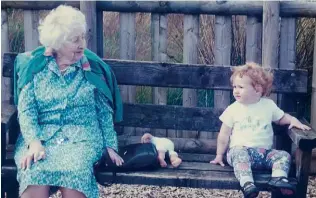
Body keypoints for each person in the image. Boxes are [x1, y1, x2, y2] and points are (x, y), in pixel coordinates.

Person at [14, 5, 124, 198]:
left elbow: (104, 112)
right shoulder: (36, 69)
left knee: (75, 174)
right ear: (58, 42)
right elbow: (26, 111)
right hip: (42, 137)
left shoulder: (92, 71)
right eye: (75, 40)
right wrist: (33, 142)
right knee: (33, 172)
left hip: (81, 138)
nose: (82, 44)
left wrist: (110, 145)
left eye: (83, 37)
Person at [210, 63, 311, 198]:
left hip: (263, 154)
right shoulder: (233, 109)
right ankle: (247, 184)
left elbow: (281, 118)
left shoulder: (268, 105)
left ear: (258, 90)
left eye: (240, 87)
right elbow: (224, 134)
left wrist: (292, 120)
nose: (235, 91)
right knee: (240, 155)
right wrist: (219, 155)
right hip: (239, 151)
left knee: (283, 155)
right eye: (234, 87)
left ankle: (278, 179)